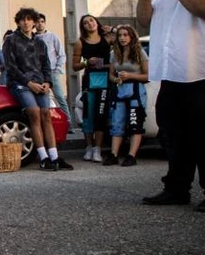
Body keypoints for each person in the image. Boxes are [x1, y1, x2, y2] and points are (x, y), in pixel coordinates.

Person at [137, 0, 205, 211]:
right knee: (173, 136)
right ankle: (176, 188)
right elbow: (144, 21)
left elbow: (202, 9)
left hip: (199, 74)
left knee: (203, 136)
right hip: (171, 75)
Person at [1, 8, 70, 171]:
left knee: (46, 114)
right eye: (22, 19)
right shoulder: (11, 40)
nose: (26, 22)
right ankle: (43, 157)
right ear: (18, 22)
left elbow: (46, 65)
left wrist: (48, 82)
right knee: (34, 113)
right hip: (20, 84)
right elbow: (11, 67)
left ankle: (54, 156)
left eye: (29, 19)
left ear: (34, 22)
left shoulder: (40, 42)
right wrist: (28, 83)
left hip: (40, 83)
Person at [105, 25, 149, 167]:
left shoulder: (139, 52)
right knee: (117, 122)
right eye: (120, 35)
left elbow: (147, 76)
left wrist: (130, 75)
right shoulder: (114, 53)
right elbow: (111, 75)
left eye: (125, 35)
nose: (122, 38)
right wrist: (116, 79)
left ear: (131, 37)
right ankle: (114, 154)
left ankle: (131, 155)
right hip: (120, 90)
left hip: (135, 90)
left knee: (135, 123)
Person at [72, 14, 111, 162]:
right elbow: (74, 66)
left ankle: (97, 149)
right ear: (83, 27)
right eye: (85, 23)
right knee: (88, 114)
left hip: (105, 80)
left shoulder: (108, 38)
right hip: (89, 80)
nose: (89, 23)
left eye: (91, 20)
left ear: (97, 22)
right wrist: (87, 63)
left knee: (101, 114)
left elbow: (129, 35)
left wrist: (111, 29)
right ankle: (89, 146)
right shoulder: (80, 42)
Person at [35, 14, 73, 129]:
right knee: (44, 100)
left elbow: (61, 54)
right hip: (39, 74)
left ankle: (68, 124)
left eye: (42, 21)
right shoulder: (33, 38)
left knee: (60, 97)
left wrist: (57, 69)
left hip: (52, 72)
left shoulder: (52, 37)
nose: (40, 24)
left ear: (45, 23)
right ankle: (48, 126)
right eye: (37, 22)